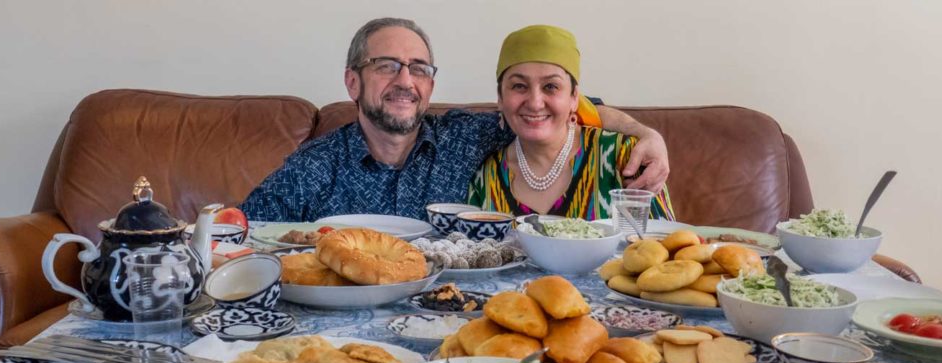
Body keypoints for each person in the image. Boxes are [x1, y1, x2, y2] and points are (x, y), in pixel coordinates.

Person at [240, 18, 670, 222]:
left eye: (419, 68)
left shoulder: (463, 138)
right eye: (387, 66)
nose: (405, 81)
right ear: (353, 82)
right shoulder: (316, 166)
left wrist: (644, 132)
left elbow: (558, 111)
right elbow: (238, 234)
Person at [468, 25, 674, 220]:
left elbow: (670, 249)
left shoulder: (626, 157)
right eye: (519, 86)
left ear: (574, 97)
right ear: (500, 98)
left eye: (550, 86)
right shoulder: (485, 178)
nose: (535, 103)